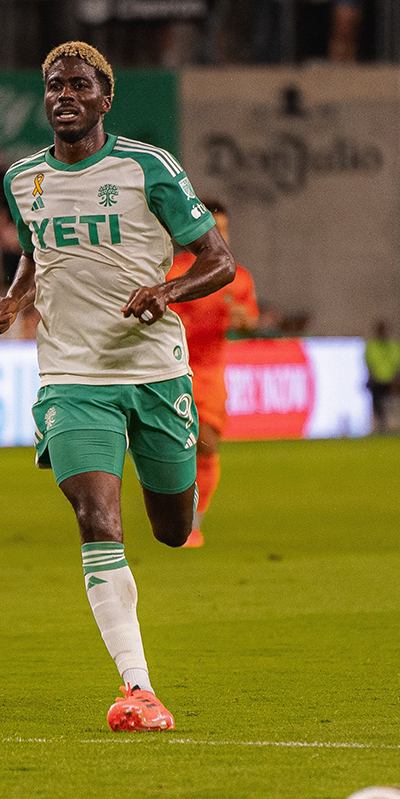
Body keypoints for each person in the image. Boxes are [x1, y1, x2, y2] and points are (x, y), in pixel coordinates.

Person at [0, 41, 234, 732]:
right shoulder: (23, 178)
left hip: (153, 371)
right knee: (97, 518)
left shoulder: (146, 168)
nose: (65, 95)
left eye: (79, 85)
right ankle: (139, 689)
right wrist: (11, 301)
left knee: (173, 529)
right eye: (55, 86)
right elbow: (39, 255)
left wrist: (169, 290)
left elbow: (220, 262)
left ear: (104, 98)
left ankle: (174, 518)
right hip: (72, 376)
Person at [165, 198, 257, 548]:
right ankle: (172, 516)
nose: (220, 236)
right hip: (170, 369)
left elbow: (250, 319)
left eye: (224, 230)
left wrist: (245, 322)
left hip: (208, 372)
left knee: (207, 443)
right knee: (170, 451)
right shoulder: (174, 272)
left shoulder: (238, 277)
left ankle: (193, 524)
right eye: (213, 230)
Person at [364, 320, 400, 432]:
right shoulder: (372, 345)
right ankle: (381, 426)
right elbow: (369, 365)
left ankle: (394, 426)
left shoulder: (394, 346)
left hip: (391, 381)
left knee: (391, 404)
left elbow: (399, 365)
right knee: (378, 404)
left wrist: (397, 381)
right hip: (377, 381)